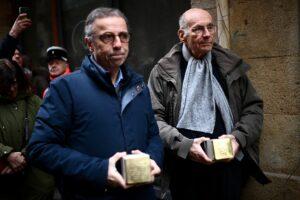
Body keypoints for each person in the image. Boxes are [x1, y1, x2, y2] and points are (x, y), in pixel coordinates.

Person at [27, 7, 163, 200]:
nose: (118, 44)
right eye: (107, 37)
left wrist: (153, 159)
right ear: (89, 43)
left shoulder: (138, 85)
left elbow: (153, 136)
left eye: (123, 36)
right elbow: (39, 149)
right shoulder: (65, 88)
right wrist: (100, 170)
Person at [148, 8, 270, 200]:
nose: (206, 34)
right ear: (182, 35)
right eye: (198, 29)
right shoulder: (164, 71)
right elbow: (152, 119)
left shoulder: (229, 65)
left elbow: (253, 108)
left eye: (210, 27)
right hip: (185, 168)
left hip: (228, 167)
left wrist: (238, 139)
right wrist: (185, 145)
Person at [0, 59, 55, 200]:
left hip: (39, 185)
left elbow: (48, 131)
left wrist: (23, 156)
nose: (12, 89)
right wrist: (7, 154)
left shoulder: (33, 101)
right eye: (5, 85)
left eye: (13, 83)